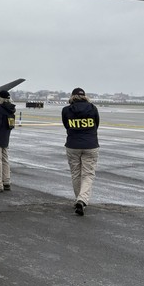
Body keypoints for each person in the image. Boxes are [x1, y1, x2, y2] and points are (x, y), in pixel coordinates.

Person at [62, 87, 100, 216]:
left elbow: (66, 126)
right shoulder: (93, 108)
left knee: (76, 174)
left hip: (73, 145)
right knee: (88, 174)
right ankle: (82, 199)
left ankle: (79, 199)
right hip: (90, 145)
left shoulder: (66, 110)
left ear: (72, 97)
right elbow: (97, 124)